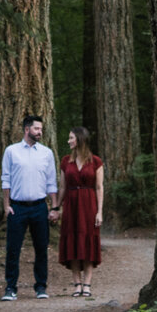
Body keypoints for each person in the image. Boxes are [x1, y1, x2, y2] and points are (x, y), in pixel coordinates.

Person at [0, 113, 58, 300]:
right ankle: (11, 288)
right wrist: (6, 205)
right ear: (27, 129)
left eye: (41, 129)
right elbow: (5, 179)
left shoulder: (46, 153)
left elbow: (51, 182)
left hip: (40, 207)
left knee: (41, 248)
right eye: (36, 128)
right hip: (17, 207)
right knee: (13, 249)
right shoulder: (11, 151)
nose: (40, 132)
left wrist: (54, 207)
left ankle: (41, 287)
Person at [57, 127, 104, 297]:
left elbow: (99, 187)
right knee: (73, 242)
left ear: (80, 139)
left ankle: (87, 284)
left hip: (89, 204)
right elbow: (62, 187)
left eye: (71, 138)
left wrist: (99, 212)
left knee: (88, 243)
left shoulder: (96, 161)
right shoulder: (65, 161)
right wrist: (56, 207)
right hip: (71, 205)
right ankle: (77, 284)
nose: (68, 141)